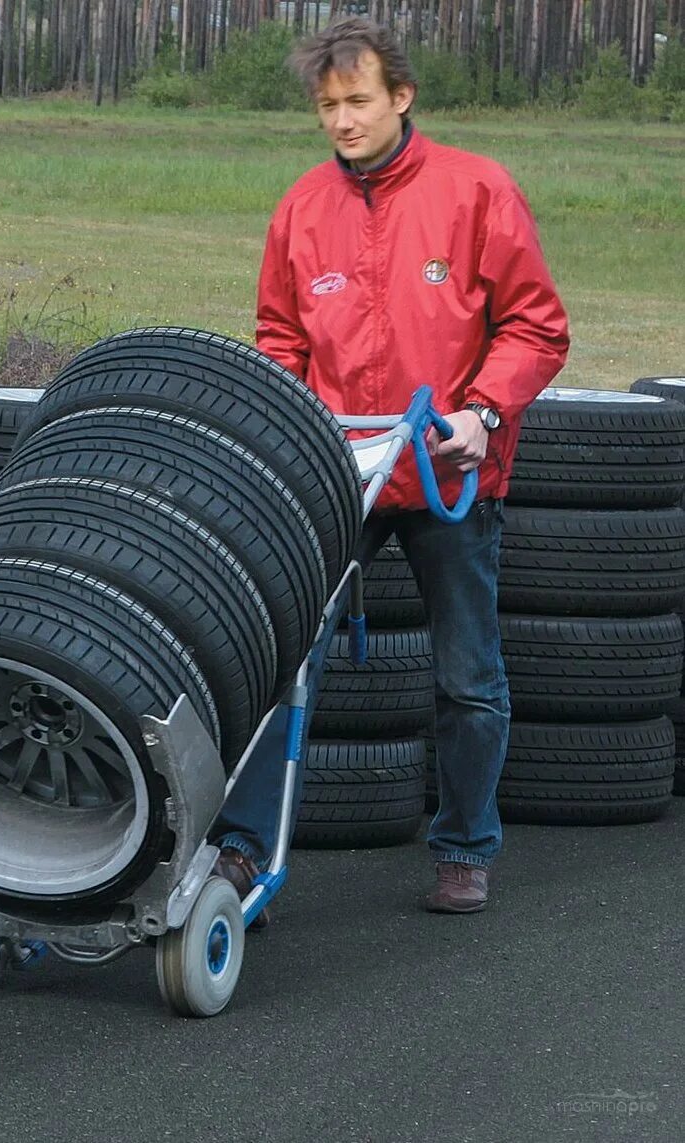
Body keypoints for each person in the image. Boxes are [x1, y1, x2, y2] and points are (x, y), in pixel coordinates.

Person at [209, 17, 569, 916]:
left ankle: (463, 846)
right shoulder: (301, 208)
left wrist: (482, 414)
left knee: (466, 674)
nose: (341, 119)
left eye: (358, 100)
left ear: (400, 97)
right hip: (340, 478)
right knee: (282, 659)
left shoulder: (476, 190)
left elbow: (537, 325)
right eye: (327, 105)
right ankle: (244, 848)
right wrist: (291, 436)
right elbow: (281, 340)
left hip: (451, 476)